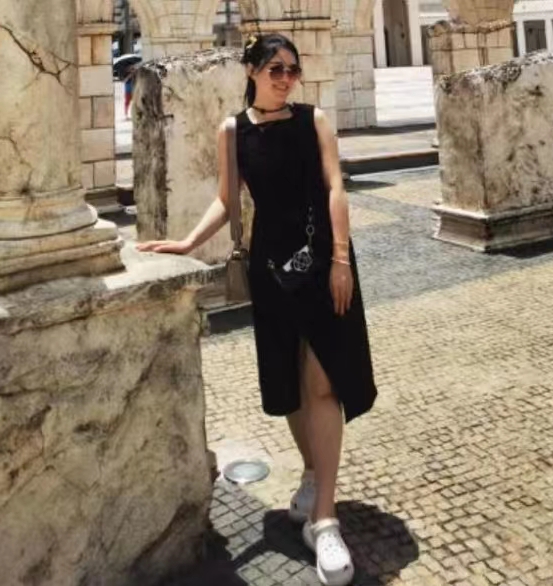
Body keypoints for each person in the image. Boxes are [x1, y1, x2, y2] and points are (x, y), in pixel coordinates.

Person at [137, 33, 377, 586]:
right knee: (289, 381)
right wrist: (186, 243)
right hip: (272, 268)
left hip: (324, 262)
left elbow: (335, 188)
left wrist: (342, 259)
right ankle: (313, 473)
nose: (286, 78)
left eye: (293, 69)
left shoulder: (313, 120)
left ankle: (324, 519)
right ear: (251, 71)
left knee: (323, 382)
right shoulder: (233, 131)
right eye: (275, 69)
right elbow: (228, 200)